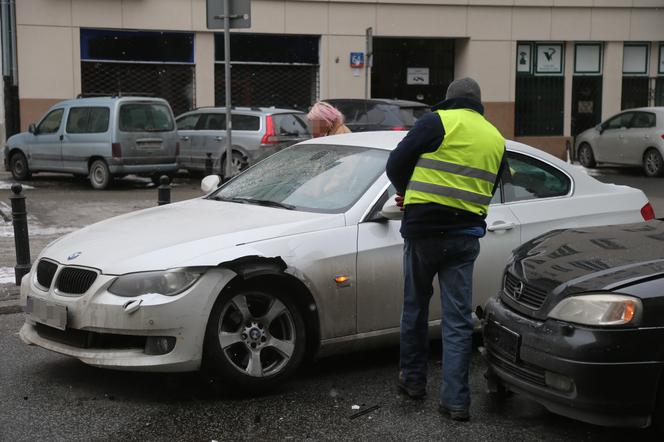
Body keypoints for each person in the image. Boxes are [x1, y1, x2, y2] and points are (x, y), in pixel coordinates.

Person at [385, 77, 506, 422]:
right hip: (464, 237)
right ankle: (456, 401)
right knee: (457, 320)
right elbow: (491, 185)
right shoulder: (495, 137)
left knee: (415, 309)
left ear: (449, 100)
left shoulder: (437, 121)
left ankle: (413, 381)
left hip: (424, 231)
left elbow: (396, 163)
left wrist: (408, 192)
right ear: (478, 103)